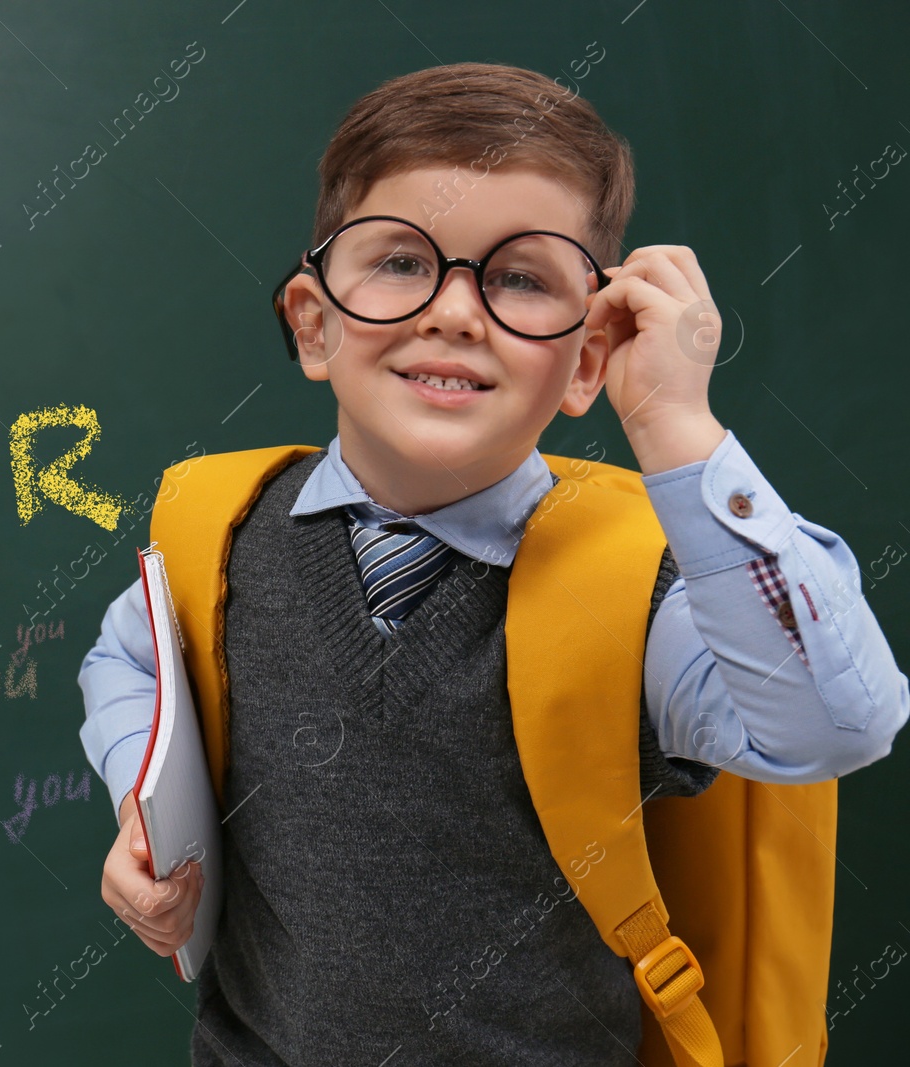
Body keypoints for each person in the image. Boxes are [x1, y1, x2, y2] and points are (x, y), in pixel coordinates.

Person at [76, 61, 908, 1065]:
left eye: (519, 276)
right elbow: (126, 665)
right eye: (399, 262)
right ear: (312, 322)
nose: (456, 312)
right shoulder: (219, 530)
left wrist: (676, 422)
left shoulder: (637, 596)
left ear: (588, 360)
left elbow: (837, 722)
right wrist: (148, 810)